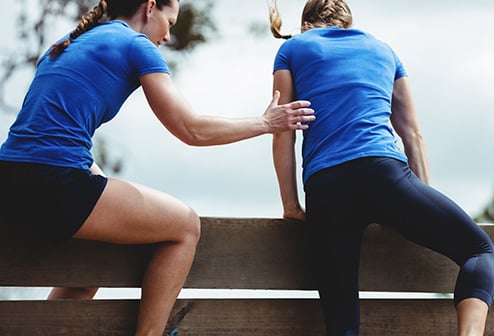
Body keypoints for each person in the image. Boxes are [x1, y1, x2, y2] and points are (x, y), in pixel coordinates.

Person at [0, 0, 314, 335]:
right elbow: (190, 129)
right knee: (186, 226)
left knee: (90, 269)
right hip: (55, 179)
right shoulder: (135, 44)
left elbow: (42, 134)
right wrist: (265, 123)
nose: (167, 37)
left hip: (12, 178)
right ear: (150, 7)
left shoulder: (71, 40)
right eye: (170, 21)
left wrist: (95, 176)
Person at [267, 0, 494, 335]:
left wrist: (291, 205)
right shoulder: (383, 50)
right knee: (479, 250)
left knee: (342, 323)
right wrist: (422, 204)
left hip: (326, 189)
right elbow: (412, 134)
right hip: (383, 176)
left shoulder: (292, 49)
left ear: (307, 24)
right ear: (348, 21)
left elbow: (282, 129)